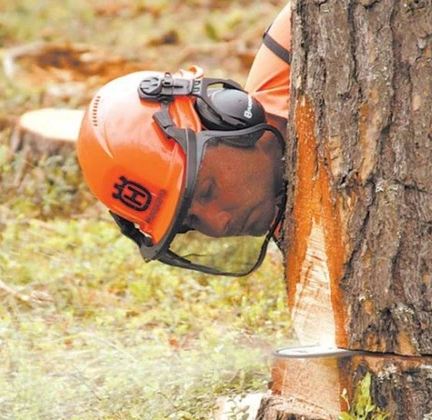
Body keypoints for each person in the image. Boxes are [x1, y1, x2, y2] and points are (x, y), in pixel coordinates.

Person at [77, 3, 291, 276]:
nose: (218, 224)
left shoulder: (291, 45)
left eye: (206, 191)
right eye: (190, 220)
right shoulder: (300, 232)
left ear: (222, 116)